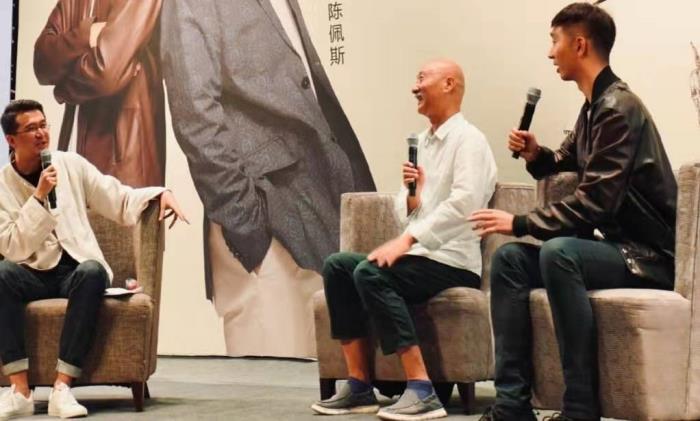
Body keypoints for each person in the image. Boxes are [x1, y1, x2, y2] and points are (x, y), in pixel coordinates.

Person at [469, 3, 677, 420]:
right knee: (509, 260)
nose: (550, 53)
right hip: (615, 249)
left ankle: (580, 408)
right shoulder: (593, 108)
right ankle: (512, 405)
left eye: (554, 41)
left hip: (647, 257)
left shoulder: (618, 108)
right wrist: (536, 154)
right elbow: (564, 162)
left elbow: (596, 203)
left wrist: (520, 221)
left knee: (559, 252)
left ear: (579, 45)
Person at [159, 0, 375, 358]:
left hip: (320, 215)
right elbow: (195, 115)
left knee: (325, 372)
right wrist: (248, 226)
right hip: (266, 225)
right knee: (273, 378)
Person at [311, 59, 497, 420]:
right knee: (338, 266)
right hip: (421, 256)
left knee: (370, 273)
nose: (415, 87)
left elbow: (465, 204)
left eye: (422, 78)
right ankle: (359, 386)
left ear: (449, 84)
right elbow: (404, 210)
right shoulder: (422, 142)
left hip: (453, 262)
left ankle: (422, 390)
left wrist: (408, 240)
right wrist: (414, 196)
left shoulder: (469, 140)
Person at [0, 99, 187, 419]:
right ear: (11, 140)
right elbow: (13, 247)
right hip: (32, 272)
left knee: (93, 271)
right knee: (2, 273)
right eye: (31, 128)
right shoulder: (3, 185)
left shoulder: (69, 164)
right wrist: (39, 197)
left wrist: (159, 194)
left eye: (43, 125)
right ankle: (19, 390)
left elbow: (116, 196)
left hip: (74, 272)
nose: (41, 133)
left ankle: (62, 388)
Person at [34, 0, 165, 188]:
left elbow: (105, 73)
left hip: (124, 164)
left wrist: (62, 89)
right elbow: (41, 62)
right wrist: (87, 34)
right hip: (73, 150)